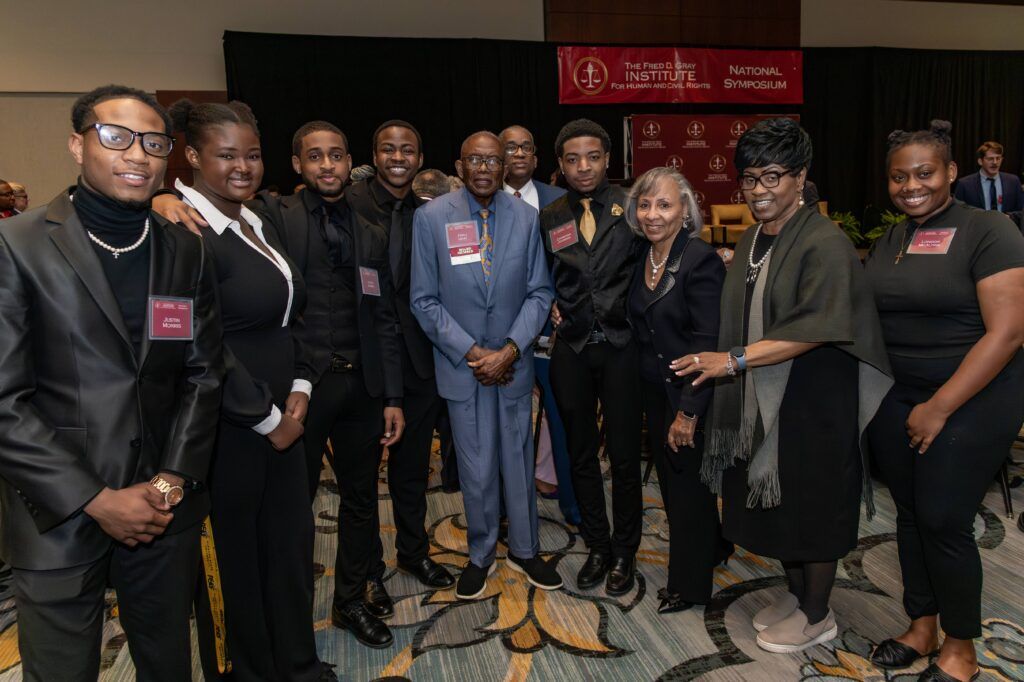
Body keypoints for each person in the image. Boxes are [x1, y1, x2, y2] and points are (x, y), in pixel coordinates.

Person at [0, 84, 224, 681]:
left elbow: (202, 374)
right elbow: (5, 402)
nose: (137, 154)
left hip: (160, 507)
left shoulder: (182, 248)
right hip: (57, 513)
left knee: (167, 662)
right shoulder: (16, 244)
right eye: (115, 136)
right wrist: (97, 499)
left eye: (154, 143)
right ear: (78, 145)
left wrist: (170, 481)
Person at [154, 120, 405, 649]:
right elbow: (209, 205)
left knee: (362, 499)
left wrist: (392, 394)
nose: (327, 166)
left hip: (361, 384)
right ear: (297, 165)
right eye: (315, 157)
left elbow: (382, 316)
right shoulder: (269, 216)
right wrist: (160, 199)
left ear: (349, 160)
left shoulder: (372, 228)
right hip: (300, 388)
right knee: (293, 510)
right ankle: (283, 621)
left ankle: (352, 599)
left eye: (337, 156)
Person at [675, 118, 892, 654]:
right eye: (750, 178)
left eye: (773, 176)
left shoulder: (826, 241)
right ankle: (798, 597)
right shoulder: (750, 236)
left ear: (800, 178)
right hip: (763, 398)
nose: (759, 190)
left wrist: (734, 360)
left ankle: (819, 614)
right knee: (780, 507)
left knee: (813, 507)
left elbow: (816, 325)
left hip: (816, 398)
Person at [168, 99, 333, 681]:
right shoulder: (180, 228)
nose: (245, 166)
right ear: (191, 156)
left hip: (286, 410)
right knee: (236, 559)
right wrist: (266, 418)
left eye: (254, 155)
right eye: (227, 155)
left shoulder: (254, 219)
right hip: (229, 425)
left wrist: (304, 386)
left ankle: (296, 663)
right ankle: (252, 671)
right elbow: (198, 342)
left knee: (287, 547)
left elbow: (296, 313)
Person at [865, 121, 1024, 682]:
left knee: (943, 519)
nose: (912, 185)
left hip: (974, 396)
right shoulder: (893, 237)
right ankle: (921, 625)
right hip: (899, 397)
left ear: (951, 172)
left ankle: (961, 648)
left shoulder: (991, 229)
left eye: (925, 173)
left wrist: (939, 406)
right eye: (899, 176)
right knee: (909, 515)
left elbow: (1006, 334)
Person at [410, 131, 560, 600]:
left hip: (513, 364)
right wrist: (476, 353)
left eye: (493, 161)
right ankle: (480, 554)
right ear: (459, 164)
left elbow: (540, 292)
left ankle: (526, 548)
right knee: (475, 465)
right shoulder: (431, 218)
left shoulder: (527, 216)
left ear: (505, 167)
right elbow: (424, 299)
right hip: (464, 366)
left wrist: (511, 350)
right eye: (474, 159)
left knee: (517, 459)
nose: (484, 168)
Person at [346, 120, 455, 621]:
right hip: (365, 366)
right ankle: (367, 572)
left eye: (407, 150)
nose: (398, 157)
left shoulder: (430, 214)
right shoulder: (346, 204)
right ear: (374, 153)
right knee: (362, 481)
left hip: (418, 364)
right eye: (387, 148)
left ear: (418, 157)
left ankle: (414, 554)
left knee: (412, 471)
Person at [540, 119, 643, 596]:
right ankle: (597, 545)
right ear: (560, 165)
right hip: (573, 348)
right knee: (579, 452)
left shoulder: (634, 207)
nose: (584, 167)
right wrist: (551, 310)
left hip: (622, 346)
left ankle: (625, 550)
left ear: (607, 159)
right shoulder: (552, 214)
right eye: (573, 159)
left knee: (623, 455)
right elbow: (540, 279)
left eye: (593, 157)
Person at [624, 167, 731, 614]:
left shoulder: (700, 259)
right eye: (645, 205)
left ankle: (689, 586)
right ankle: (717, 546)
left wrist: (689, 413)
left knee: (685, 491)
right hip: (654, 389)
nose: (652, 214)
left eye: (664, 205)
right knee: (677, 483)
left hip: (690, 394)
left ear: (685, 210)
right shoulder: (643, 256)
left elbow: (708, 342)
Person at [499, 124, 578, 523]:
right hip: (498, 336)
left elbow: (576, 265)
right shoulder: (481, 200)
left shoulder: (561, 201)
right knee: (505, 427)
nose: (518, 154)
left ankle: (574, 508)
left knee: (563, 419)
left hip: (553, 330)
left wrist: (565, 304)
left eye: (526, 147)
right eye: (509, 147)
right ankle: (508, 513)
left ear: (535, 157)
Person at [953, 141, 1024, 212]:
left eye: (998, 158)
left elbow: (1021, 212)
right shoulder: (965, 184)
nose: (995, 162)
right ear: (980, 161)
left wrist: (1009, 217)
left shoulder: (1013, 181)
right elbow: (957, 212)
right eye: (990, 159)